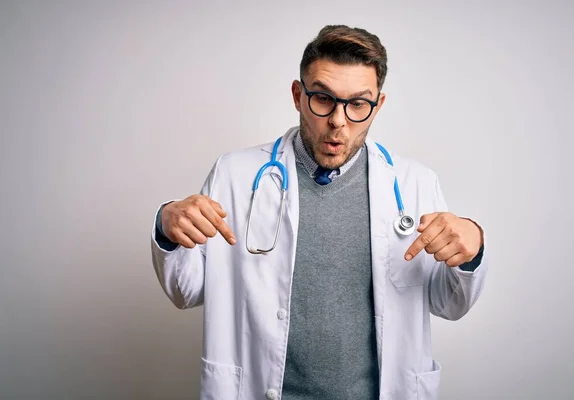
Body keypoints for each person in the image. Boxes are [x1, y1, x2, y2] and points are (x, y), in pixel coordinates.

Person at [150, 24, 488, 400]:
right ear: (298, 95)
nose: (338, 121)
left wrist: (472, 251)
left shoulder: (415, 183)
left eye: (358, 104)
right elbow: (186, 290)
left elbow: (449, 302)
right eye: (323, 99)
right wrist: (167, 226)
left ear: (378, 105)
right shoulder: (235, 174)